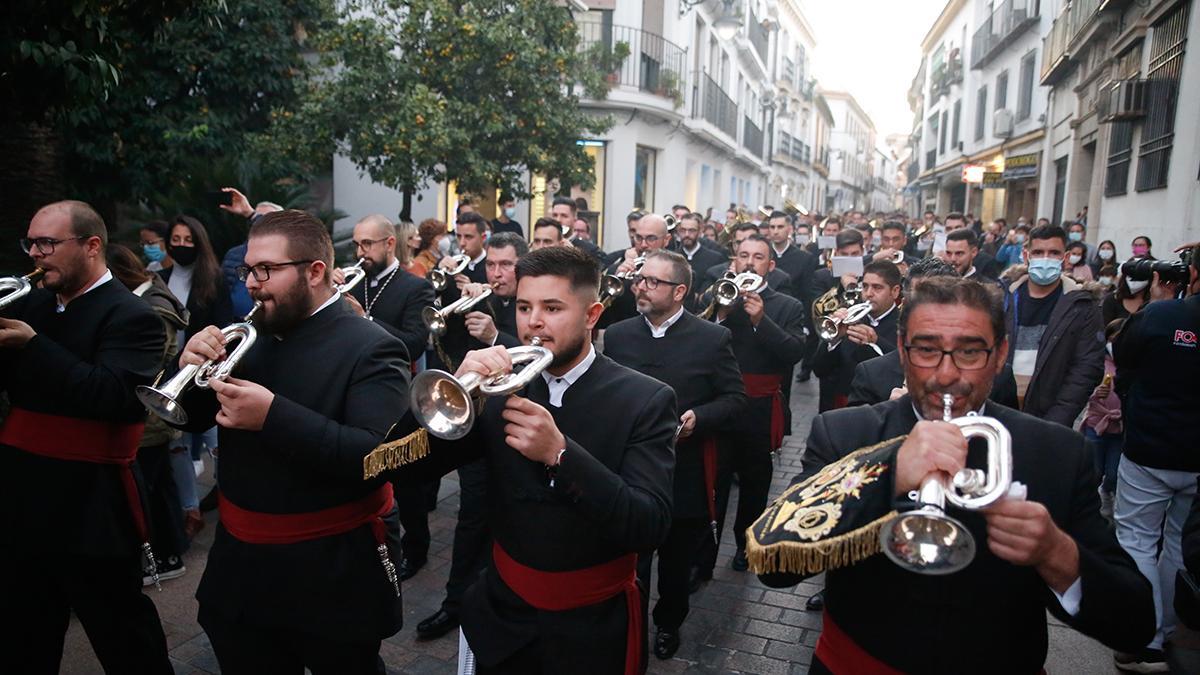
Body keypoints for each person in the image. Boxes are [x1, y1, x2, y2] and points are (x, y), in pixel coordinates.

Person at [748, 275, 1156, 674]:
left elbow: (1135, 625)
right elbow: (775, 569)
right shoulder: (845, 432)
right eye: (926, 350)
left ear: (999, 356)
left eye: (970, 352)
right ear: (903, 354)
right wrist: (886, 473)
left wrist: (1058, 554)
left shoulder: (1058, 452)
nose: (945, 375)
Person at [396, 245, 677, 674]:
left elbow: (649, 524)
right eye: (525, 307)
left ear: (591, 315)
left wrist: (560, 455)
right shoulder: (499, 386)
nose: (533, 323)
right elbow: (402, 466)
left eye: (552, 307)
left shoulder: (646, 399)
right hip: (503, 612)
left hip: (591, 627)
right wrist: (458, 389)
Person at [173, 209, 412, 673]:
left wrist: (272, 416)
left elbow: (374, 457)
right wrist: (186, 368)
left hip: (331, 571)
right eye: (248, 271)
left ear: (315, 271)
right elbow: (190, 418)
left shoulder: (373, 347)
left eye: (267, 271)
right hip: (241, 566)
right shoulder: (246, 333)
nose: (253, 284)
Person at [0, 200, 173, 673]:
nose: (35, 254)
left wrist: (33, 345)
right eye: (30, 242)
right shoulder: (29, 302)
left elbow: (113, 396)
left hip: (93, 505)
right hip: (21, 496)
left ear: (92, 246)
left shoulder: (132, 315)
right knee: (21, 631)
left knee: (121, 633)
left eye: (47, 244)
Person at [603, 250, 747, 660]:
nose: (640, 287)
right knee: (633, 559)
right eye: (640, 279)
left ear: (680, 291)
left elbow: (736, 399)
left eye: (652, 282)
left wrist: (698, 418)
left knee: (676, 562)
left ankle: (668, 623)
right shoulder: (619, 335)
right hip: (629, 470)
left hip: (683, 473)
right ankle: (628, 623)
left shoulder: (712, 338)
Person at [1111, 247, 1200, 672]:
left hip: (1150, 449)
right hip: (1186, 457)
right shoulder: (1166, 317)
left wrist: (1160, 304)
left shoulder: (1162, 316)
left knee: (1137, 539)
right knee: (1180, 546)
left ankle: (1142, 637)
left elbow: (1123, 352)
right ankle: (1163, 637)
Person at [700, 234, 805, 577]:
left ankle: (745, 544)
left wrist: (762, 320)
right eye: (743, 255)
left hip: (758, 409)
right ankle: (703, 555)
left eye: (758, 257)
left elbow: (794, 353)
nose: (749, 262)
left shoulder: (787, 305)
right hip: (719, 405)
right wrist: (719, 314)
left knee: (755, 483)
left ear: (770, 267)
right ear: (734, 261)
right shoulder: (718, 296)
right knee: (713, 480)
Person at [108, 244, 193, 583]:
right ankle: (169, 552)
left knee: (153, 491)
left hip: (152, 418)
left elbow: (153, 362)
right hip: (152, 417)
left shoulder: (151, 308)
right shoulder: (150, 299)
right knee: (159, 488)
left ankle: (166, 556)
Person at [847, 257, 1019, 409]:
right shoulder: (872, 374)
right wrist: (894, 411)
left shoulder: (999, 377)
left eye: (944, 301)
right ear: (904, 305)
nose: (933, 312)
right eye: (922, 301)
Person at [160, 214, 234, 530]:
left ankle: (226, 494)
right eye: (175, 240)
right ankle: (191, 510)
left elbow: (226, 323)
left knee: (213, 440)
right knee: (176, 443)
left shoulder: (213, 280)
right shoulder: (159, 277)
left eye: (188, 240)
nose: (181, 246)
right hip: (173, 367)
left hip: (205, 370)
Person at [1003, 224, 1105, 426]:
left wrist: (1056, 421)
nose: (1045, 258)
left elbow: (1086, 369)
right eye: (1038, 252)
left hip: (1050, 418)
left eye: (1054, 253)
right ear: (1026, 256)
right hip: (1000, 412)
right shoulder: (1003, 298)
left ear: (1065, 258)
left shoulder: (1082, 306)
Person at [342, 214, 435, 364]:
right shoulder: (349, 283)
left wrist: (365, 319)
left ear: (390, 244)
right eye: (357, 245)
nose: (359, 253)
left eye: (367, 243)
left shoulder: (418, 288)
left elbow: (413, 346)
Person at [813, 260, 901, 412]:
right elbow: (819, 370)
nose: (868, 294)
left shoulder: (904, 324)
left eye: (877, 287)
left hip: (880, 410)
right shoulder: (850, 317)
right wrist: (834, 340)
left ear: (895, 291)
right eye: (865, 286)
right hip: (840, 407)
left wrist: (876, 342)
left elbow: (903, 369)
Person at [216, 187, 284, 319]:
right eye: (257, 220)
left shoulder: (286, 255)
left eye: (266, 220)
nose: (258, 225)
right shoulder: (235, 254)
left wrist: (250, 213)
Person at [599, 213, 673, 329]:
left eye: (651, 238)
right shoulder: (616, 270)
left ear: (666, 240)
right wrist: (616, 283)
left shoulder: (678, 272)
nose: (643, 245)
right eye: (638, 238)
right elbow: (600, 321)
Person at [1083, 319, 1125, 521]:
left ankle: (1107, 492)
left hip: (1118, 428)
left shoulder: (1131, 363)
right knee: (1094, 469)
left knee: (1114, 472)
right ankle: (1090, 508)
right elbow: (1082, 388)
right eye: (1112, 340)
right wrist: (1095, 393)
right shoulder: (1098, 363)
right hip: (1096, 424)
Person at [765, 211, 817, 306]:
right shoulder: (762, 256)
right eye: (772, 227)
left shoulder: (804, 258)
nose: (775, 231)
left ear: (790, 229)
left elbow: (806, 295)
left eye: (780, 227)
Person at [550, 196, 605, 263]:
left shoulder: (590, 250)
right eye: (555, 215)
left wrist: (574, 254)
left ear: (574, 218)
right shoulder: (542, 244)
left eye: (564, 216)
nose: (558, 220)